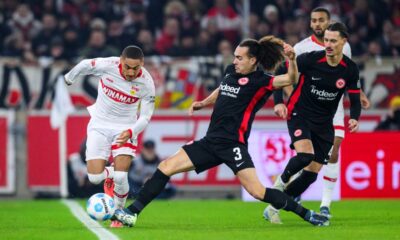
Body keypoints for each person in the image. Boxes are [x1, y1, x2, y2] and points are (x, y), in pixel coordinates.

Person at [113, 36, 330, 227]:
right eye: (235, 56)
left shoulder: (262, 81)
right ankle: (132, 213)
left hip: (233, 145)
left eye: (239, 58)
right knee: (165, 167)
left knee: (257, 191)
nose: (234, 61)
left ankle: (307, 214)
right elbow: (223, 88)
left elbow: (290, 79)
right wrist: (203, 102)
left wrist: (292, 60)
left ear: (253, 60)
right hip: (210, 142)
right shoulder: (230, 72)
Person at [267, 7, 370, 222]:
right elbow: (281, 72)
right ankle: (279, 185)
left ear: (343, 42)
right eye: (327, 41)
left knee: (311, 174)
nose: (329, 45)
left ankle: (277, 204)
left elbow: (352, 91)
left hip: (327, 118)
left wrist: (355, 117)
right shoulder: (308, 56)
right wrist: (279, 102)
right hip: (301, 112)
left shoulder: (350, 67)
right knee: (305, 156)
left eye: (334, 41)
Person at [64, 45, 155, 227]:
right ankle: (110, 175)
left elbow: (145, 116)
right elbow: (84, 64)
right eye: (127, 66)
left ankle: (118, 215)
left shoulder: (146, 82)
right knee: (94, 178)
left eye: (135, 68)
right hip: (99, 125)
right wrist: (69, 78)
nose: (130, 72)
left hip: (126, 129)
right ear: (121, 60)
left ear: (142, 64)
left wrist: (131, 132)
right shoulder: (108, 65)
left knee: (122, 178)